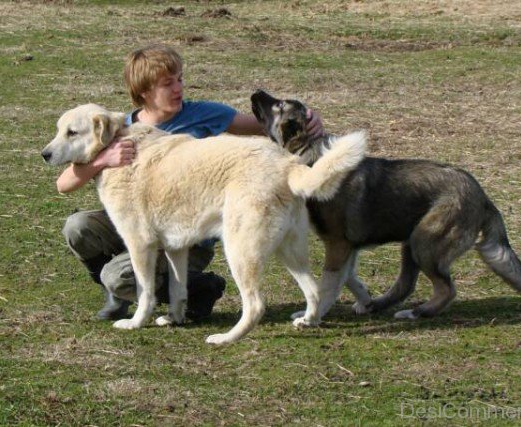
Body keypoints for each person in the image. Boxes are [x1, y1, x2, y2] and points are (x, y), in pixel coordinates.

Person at [56, 45, 324, 321]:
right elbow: (64, 184)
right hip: (141, 220)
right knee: (78, 227)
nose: (177, 88)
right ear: (145, 91)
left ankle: (196, 288)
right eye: (167, 84)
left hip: (190, 232)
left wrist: (306, 119)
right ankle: (123, 294)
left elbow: (266, 125)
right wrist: (103, 160)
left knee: (118, 276)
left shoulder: (205, 114)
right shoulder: (117, 127)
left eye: (180, 79)